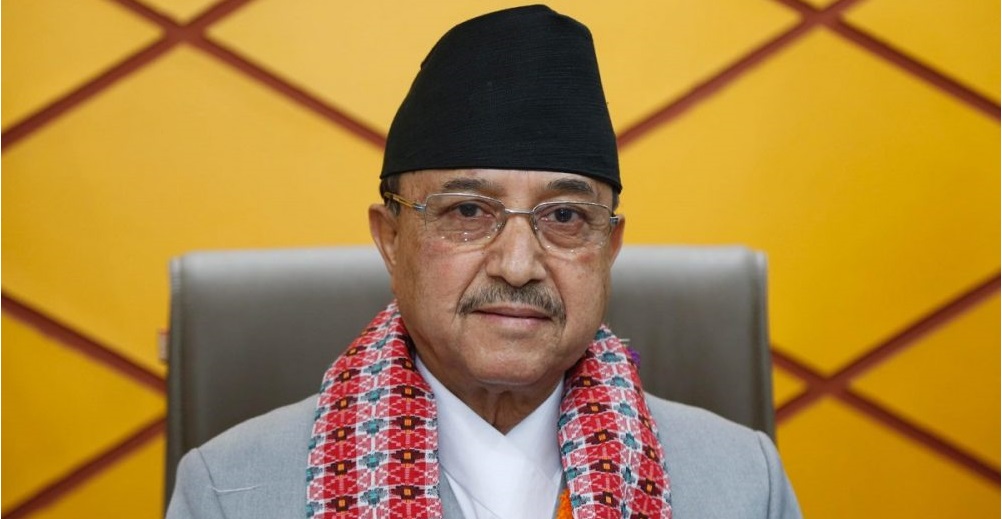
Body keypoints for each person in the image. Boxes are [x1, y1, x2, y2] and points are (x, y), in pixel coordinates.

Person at [166, 5, 801, 518]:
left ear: (609, 250)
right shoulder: (228, 492)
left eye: (565, 217)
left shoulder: (744, 484)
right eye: (468, 211)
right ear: (390, 239)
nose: (518, 265)